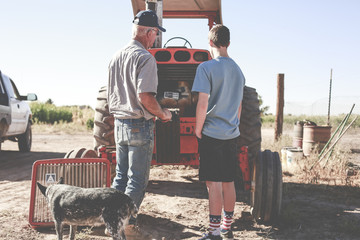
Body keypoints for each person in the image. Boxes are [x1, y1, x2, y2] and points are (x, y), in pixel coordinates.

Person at [107, 10, 172, 225]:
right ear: (149, 32)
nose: (156, 38)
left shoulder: (115, 56)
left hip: (119, 124)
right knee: (137, 179)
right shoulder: (145, 58)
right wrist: (163, 114)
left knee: (120, 177)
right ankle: (125, 223)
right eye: (156, 33)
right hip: (139, 126)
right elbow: (146, 97)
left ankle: (111, 220)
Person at [192, 24, 245, 240]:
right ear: (229, 43)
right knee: (228, 180)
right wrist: (234, 126)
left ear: (210, 43)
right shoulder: (238, 70)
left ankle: (213, 232)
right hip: (231, 133)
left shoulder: (206, 67)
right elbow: (239, 105)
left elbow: (202, 104)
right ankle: (227, 228)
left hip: (212, 133)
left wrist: (197, 129)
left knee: (212, 182)